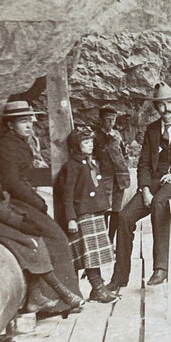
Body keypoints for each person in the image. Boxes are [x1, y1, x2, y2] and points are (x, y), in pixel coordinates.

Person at [108, 81, 171, 289]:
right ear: (156, 108)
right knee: (124, 216)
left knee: (160, 201)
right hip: (155, 182)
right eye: (160, 105)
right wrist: (144, 189)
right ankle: (119, 278)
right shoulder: (152, 129)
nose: (165, 109)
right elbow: (144, 163)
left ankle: (160, 268)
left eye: (168, 103)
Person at [0, 134, 84, 314]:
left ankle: (39, 295)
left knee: (33, 238)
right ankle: (59, 293)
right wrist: (19, 222)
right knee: (28, 242)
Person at [0, 100, 84, 310]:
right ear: (10, 125)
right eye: (22, 121)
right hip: (11, 200)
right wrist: (38, 202)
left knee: (55, 236)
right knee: (54, 237)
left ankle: (57, 298)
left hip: (22, 198)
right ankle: (55, 301)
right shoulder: (6, 145)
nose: (28, 125)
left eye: (29, 120)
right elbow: (12, 182)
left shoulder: (19, 142)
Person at [61, 126, 118, 304]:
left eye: (91, 141)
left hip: (94, 212)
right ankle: (97, 289)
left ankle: (97, 288)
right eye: (86, 142)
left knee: (94, 254)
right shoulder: (72, 166)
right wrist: (70, 218)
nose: (90, 145)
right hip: (83, 214)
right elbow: (67, 194)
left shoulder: (90, 162)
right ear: (77, 146)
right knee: (89, 254)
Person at [93, 106, 130, 242]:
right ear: (101, 120)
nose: (111, 122)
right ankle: (103, 241)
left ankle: (111, 240)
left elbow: (124, 153)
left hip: (119, 178)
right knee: (104, 210)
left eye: (113, 119)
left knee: (116, 210)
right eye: (108, 119)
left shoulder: (117, 135)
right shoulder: (95, 136)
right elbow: (94, 156)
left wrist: (124, 164)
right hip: (104, 178)